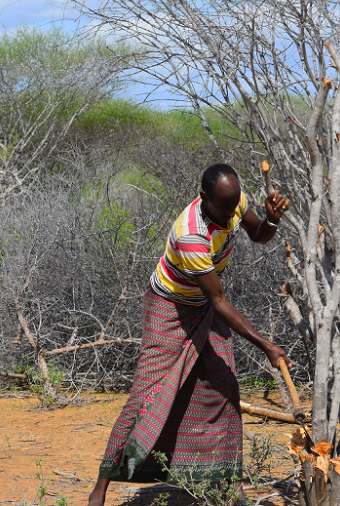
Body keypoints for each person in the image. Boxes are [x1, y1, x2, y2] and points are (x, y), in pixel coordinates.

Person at [88, 164, 291, 506]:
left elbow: (258, 235)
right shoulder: (191, 235)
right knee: (146, 395)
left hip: (203, 306)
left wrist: (271, 219)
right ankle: (101, 488)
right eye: (223, 208)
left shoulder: (234, 201)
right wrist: (265, 344)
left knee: (224, 390)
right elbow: (219, 299)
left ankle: (225, 484)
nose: (230, 215)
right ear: (204, 197)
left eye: (234, 206)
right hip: (169, 308)